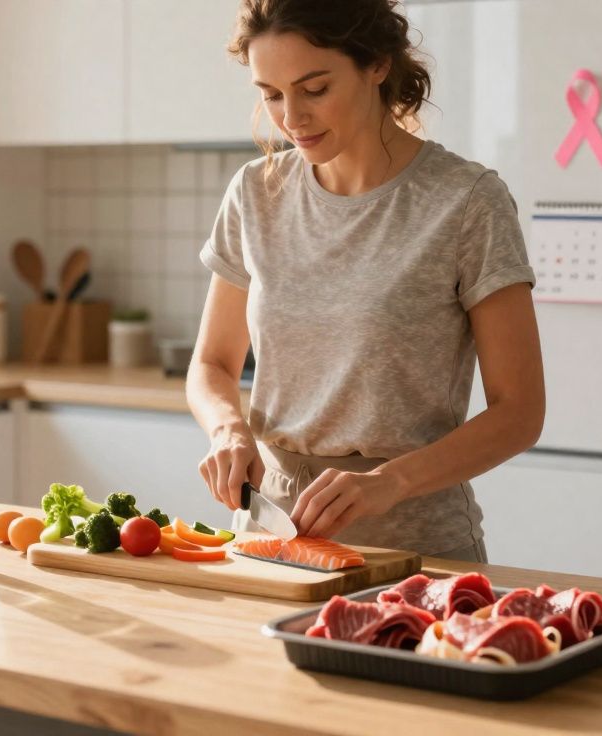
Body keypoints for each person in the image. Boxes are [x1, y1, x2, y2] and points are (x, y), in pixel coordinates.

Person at [185, 0, 545, 562]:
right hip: (271, 535)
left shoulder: (466, 201)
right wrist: (228, 429)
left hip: (416, 551)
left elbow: (519, 412)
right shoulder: (256, 194)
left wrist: (390, 482)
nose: (290, 118)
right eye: (271, 94)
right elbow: (211, 365)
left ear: (376, 65)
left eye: (314, 88)